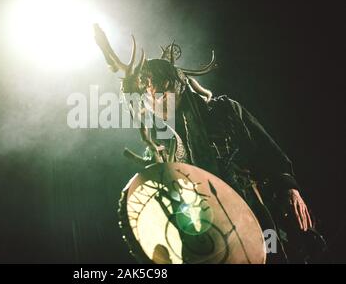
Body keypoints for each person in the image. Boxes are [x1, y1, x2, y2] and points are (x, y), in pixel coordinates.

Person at [94, 24, 326, 263]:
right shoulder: (161, 140)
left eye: (159, 88)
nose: (153, 97)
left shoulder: (224, 110)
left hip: (251, 209)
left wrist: (290, 188)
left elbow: (267, 150)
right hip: (206, 228)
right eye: (148, 92)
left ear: (177, 84)